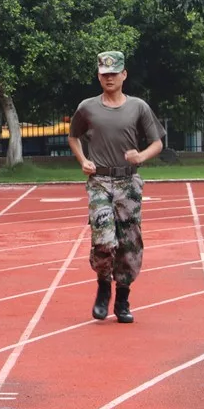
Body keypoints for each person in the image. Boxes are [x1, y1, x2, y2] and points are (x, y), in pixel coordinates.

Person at [67, 50, 165, 325]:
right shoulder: (87, 107)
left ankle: (122, 298)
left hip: (128, 182)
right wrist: (83, 160)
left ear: (124, 75)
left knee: (128, 243)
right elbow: (73, 136)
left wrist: (141, 156)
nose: (109, 78)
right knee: (103, 239)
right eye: (104, 74)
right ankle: (102, 286)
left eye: (114, 73)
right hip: (99, 181)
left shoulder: (138, 107)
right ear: (98, 76)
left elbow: (157, 142)